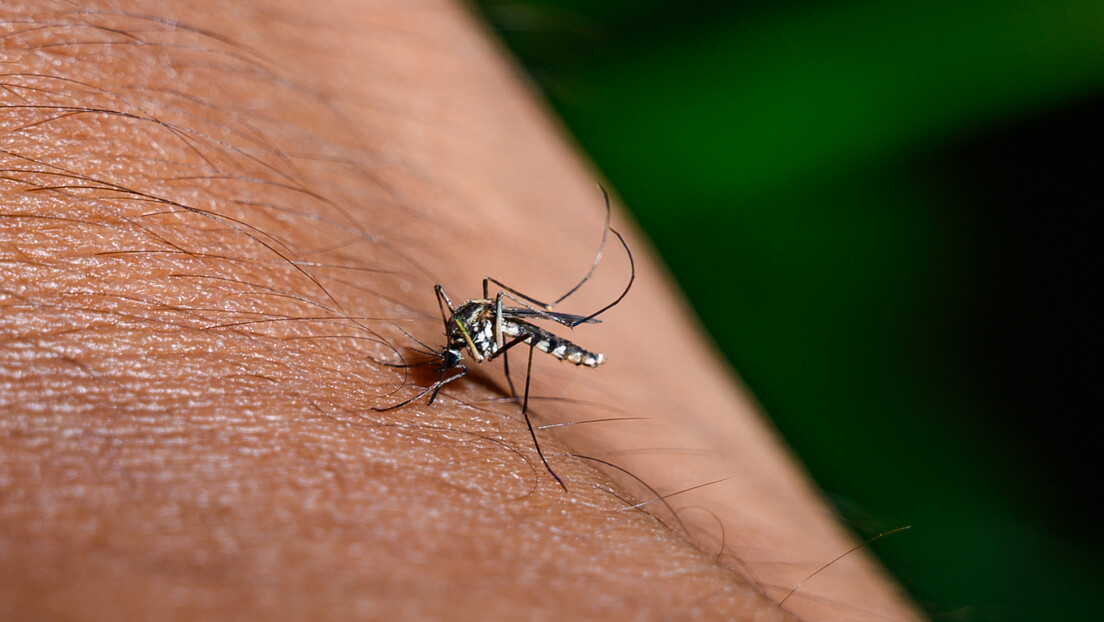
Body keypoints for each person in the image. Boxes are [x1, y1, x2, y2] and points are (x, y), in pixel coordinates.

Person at [0, 1, 922, 619]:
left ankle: (569, 317)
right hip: (510, 329)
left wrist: (530, 334)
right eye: (444, 358)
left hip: (542, 334)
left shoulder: (488, 337)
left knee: (503, 324)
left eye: (448, 358)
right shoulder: (451, 334)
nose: (443, 350)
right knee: (474, 312)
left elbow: (491, 331)